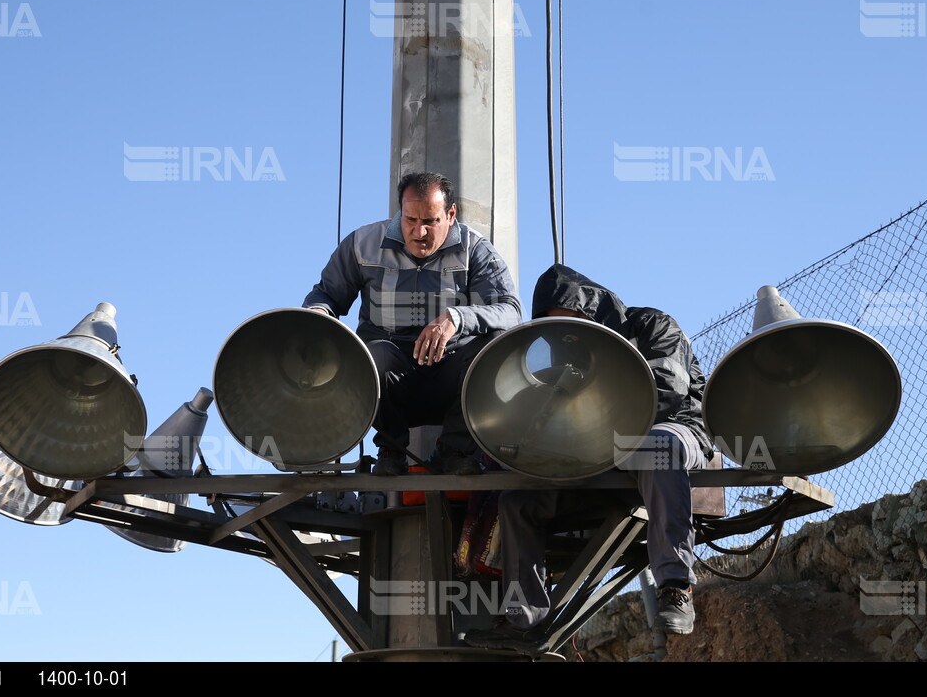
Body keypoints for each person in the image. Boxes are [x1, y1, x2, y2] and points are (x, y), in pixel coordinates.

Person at [464, 263, 713, 654]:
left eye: (570, 320)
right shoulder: (571, 359)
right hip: (598, 454)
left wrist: (596, 418)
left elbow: (668, 389)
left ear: (589, 309)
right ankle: (523, 619)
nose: (566, 333)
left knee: (655, 448)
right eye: (554, 326)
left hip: (670, 428)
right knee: (517, 501)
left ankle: (675, 586)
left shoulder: (652, 325)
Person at [303, 171, 521, 476]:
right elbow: (326, 295)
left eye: (430, 221)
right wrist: (319, 313)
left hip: (454, 379)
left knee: (497, 346)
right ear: (399, 213)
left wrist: (457, 318)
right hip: (391, 381)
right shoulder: (362, 244)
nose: (419, 232)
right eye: (410, 220)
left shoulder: (476, 250)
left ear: (451, 214)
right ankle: (392, 450)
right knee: (369, 354)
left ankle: (456, 450)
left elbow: (510, 310)